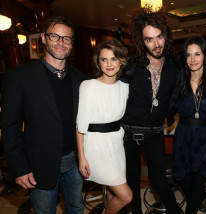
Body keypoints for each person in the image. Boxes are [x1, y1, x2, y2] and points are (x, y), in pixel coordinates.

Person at [1, 16, 88, 213]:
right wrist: (19, 168)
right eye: (55, 36)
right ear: (43, 38)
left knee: (76, 207)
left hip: (75, 161)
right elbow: (10, 126)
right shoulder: (19, 77)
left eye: (66, 39)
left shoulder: (82, 79)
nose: (60, 42)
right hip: (39, 163)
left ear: (71, 44)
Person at [120, 8, 182, 214]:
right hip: (128, 134)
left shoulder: (174, 67)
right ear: (141, 41)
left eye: (159, 37)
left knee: (160, 183)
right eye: (149, 39)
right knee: (132, 183)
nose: (156, 44)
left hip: (155, 132)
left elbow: (182, 90)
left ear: (166, 35)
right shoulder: (130, 66)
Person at [76, 39, 132, 214]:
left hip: (116, 145)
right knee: (126, 196)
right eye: (104, 59)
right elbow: (80, 126)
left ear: (121, 61)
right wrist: (81, 157)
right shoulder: (88, 86)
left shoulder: (124, 87)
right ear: (98, 62)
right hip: (95, 146)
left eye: (113, 59)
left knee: (111, 192)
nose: (109, 64)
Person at [172, 37, 206, 214]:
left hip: (205, 136)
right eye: (188, 55)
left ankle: (190, 210)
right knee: (184, 179)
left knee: (199, 179)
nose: (193, 59)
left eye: (197, 54)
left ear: (205, 55)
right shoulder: (179, 79)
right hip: (183, 135)